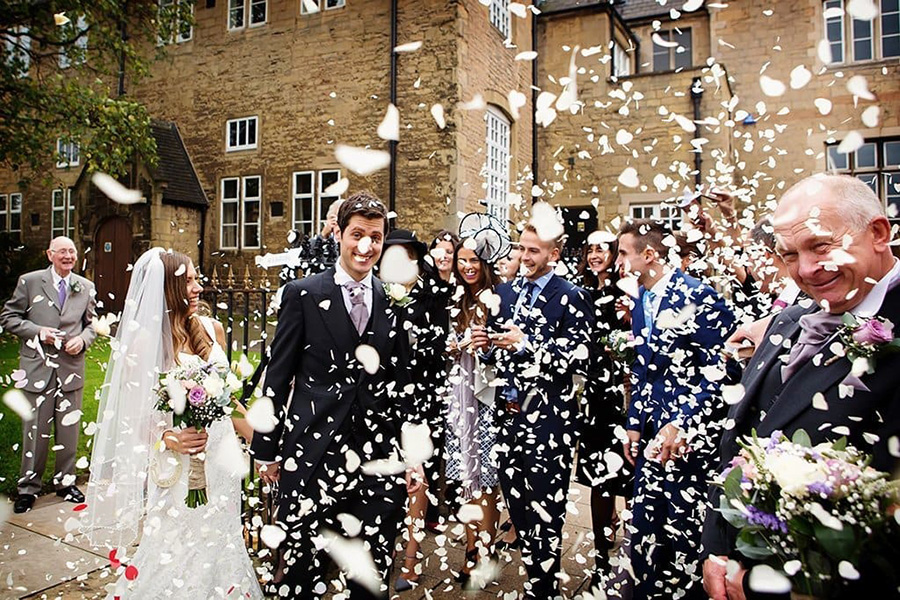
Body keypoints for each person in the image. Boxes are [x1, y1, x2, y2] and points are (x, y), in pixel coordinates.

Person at [701, 174, 900, 600]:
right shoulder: (790, 320)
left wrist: (769, 586)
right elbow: (739, 440)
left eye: (821, 245)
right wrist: (717, 549)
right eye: (789, 254)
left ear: (878, 233)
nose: (806, 270)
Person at [251, 192, 422, 599]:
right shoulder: (303, 293)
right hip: (312, 455)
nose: (366, 246)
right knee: (299, 575)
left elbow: (402, 386)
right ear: (339, 235)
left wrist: (412, 456)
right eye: (357, 234)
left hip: (378, 462)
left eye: (376, 237)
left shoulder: (393, 300)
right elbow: (278, 374)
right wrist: (267, 448)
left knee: (370, 575)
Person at [81, 248, 262, 598]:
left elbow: (230, 401)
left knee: (221, 538)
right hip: (178, 466)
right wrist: (168, 437)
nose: (197, 287)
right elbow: (134, 415)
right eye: (188, 281)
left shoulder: (213, 329)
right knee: (177, 545)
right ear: (167, 288)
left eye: (196, 279)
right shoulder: (146, 341)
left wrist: (265, 446)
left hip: (221, 459)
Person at [472, 213, 593, 599]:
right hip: (507, 412)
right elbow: (495, 358)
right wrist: (484, 346)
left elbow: (580, 354)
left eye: (533, 250)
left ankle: (544, 585)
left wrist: (527, 345)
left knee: (547, 503)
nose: (524, 256)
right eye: (521, 248)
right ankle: (532, 565)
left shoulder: (570, 295)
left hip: (549, 418)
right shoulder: (505, 294)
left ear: (554, 253)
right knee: (518, 502)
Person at [615, 219, 734, 599]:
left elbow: (723, 370)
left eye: (623, 252)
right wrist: (634, 423)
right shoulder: (641, 300)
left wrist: (682, 422)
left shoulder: (700, 296)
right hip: (651, 435)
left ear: (649, 255)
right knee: (646, 531)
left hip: (689, 443)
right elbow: (643, 368)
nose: (618, 261)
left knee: (685, 535)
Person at [1, 236, 97, 514]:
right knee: (35, 431)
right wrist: (38, 332)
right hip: (37, 367)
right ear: (50, 254)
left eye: (72, 251)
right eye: (62, 251)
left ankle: (65, 483)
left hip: (71, 367)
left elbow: (91, 325)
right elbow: (9, 317)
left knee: (69, 430)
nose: (68, 256)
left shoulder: (86, 286)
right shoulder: (29, 282)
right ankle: (28, 488)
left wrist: (84, 340)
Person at [380, 228, 451, 593]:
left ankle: (410, 555)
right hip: (379, 399)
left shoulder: (433, 296)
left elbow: (441, 348)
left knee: (417, 476)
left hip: (422, 396)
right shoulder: (376, 295)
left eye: (406, 254)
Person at [443, 233, 503, 588]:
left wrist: (487, 343)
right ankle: (471, 551)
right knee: (466, 475)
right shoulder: (454, 299)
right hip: (459, 396)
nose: (467, 266)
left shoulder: (498, 298)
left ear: (485, 264)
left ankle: (486, 549)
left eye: (474, 261)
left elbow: (509, 346)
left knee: (486, 479)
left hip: (486, 397)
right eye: (462, 260)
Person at [573, 233, 633, 585]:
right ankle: (599, 557)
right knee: (599, 478)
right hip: (596, 395)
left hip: (625, 395)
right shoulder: (582, 294)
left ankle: (631, 546)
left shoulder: (628, 293)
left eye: (602, 249)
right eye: (590, 249)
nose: (595, 255)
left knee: (627, 474)